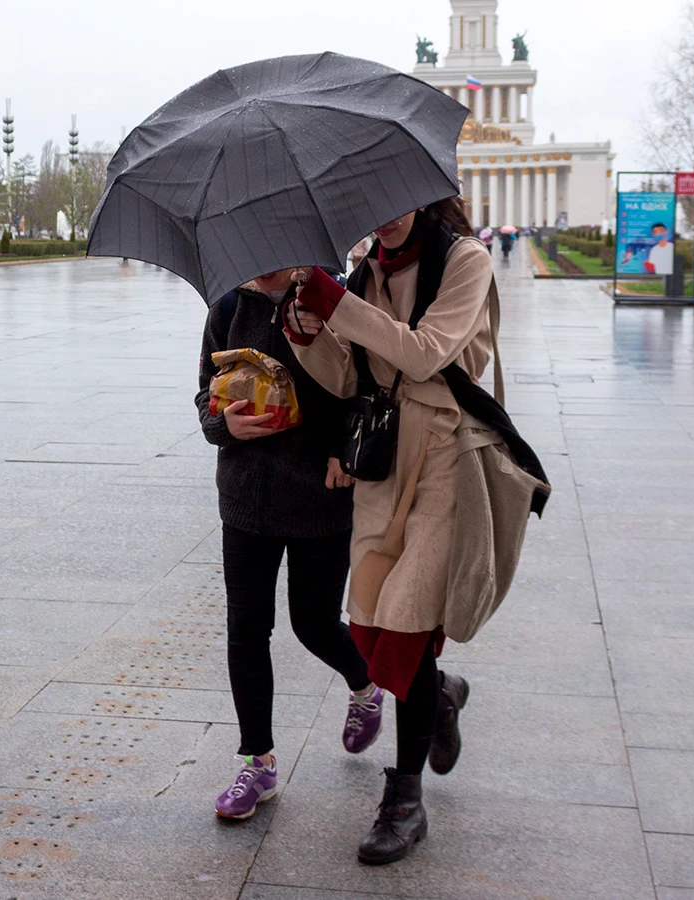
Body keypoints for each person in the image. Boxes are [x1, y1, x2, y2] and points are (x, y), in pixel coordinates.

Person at [283, 196, 489, 866]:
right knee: (370, 623)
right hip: (382, 453)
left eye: (400, 203)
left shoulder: (466, 261)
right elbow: (351, 374)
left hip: (445, 456)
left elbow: (426, 355)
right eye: (375, 206)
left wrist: (337, 304)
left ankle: (404, 800)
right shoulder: (367, 266)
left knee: (405, 621)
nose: (387, 216)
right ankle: (441, 694)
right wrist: (308, 331)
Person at [195, 271, 382, 822]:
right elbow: (204, 397)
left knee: (313, 623)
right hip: (246, 498)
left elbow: (368, 388)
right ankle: (258, 762)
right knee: (246, 630)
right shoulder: (227, 304)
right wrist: (222, 423)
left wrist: (344, 454)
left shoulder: (336, 299)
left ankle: (365, 685)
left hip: (321, 496)